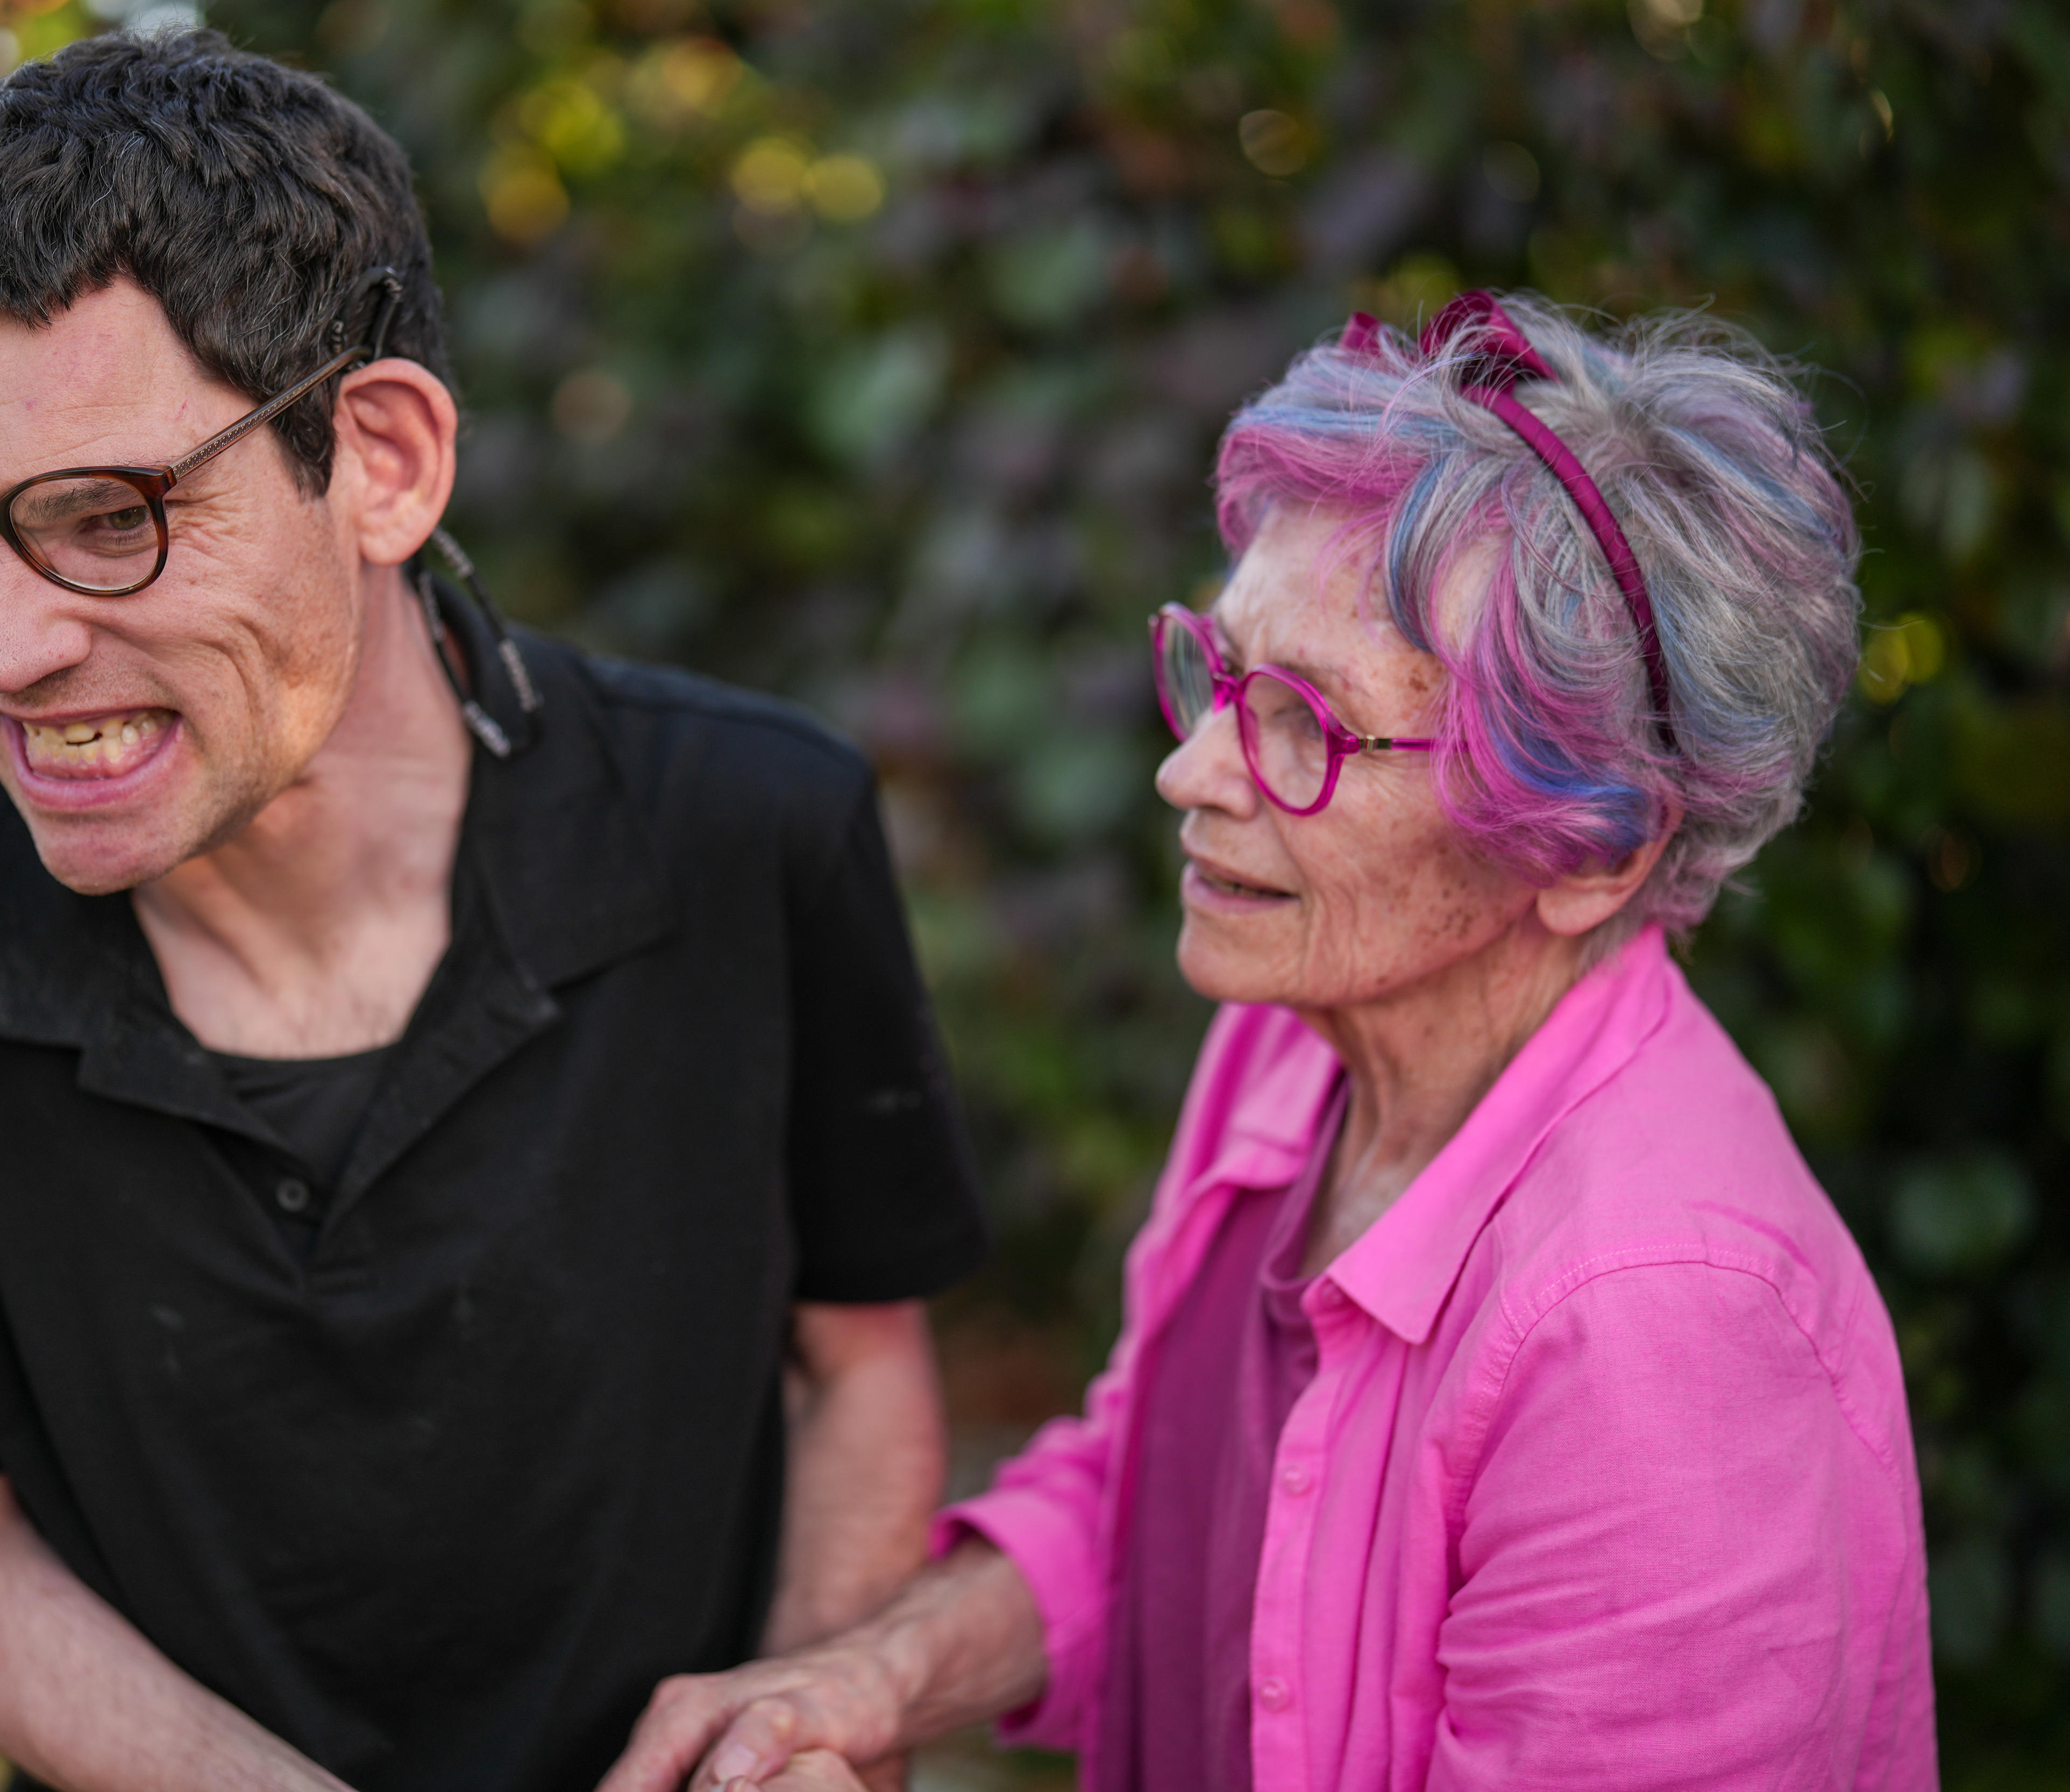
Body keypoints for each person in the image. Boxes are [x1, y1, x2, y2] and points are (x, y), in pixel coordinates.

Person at [0, 31, 986, 1792]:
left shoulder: (753, 830)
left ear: (380, 460)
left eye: (105, 521)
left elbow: (861, 1368)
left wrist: (788, 1729)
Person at [603, 294, 1935, 1792]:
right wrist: (865, 1678)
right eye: (1221, 671)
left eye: (1306, 722)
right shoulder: (1306, 1044)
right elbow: (1163, 1502)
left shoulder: (1659, 1331)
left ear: (1593, 857)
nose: (1190, 766)